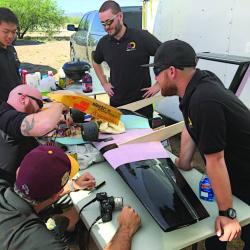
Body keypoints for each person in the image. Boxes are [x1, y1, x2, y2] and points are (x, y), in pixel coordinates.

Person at [144, 39, 250, 249]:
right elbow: (189, 126)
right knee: (215, 234)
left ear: (171, 71)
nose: (155, 78)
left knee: (239, 229)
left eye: (157, 71)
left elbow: (215, 159)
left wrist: (227, 213)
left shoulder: (204, 100)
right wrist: (183, 162)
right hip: (233, 171)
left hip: (245, 174)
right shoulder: (197, 84)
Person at [0, 145, 141, 250]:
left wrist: (73, 186)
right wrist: (126, 228)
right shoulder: (40, 242)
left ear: (19, 172)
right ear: (57, 194)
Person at [0, 84, 96, 196]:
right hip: (13, 194)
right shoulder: (6, 117)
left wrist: (56, 119)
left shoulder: (10, 117)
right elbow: (43, 124)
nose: (40, 109)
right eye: (39, 105)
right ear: (23, 99)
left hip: (22, 189)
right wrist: (59, 105)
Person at [93, 0, 161, 119]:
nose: (106, 27)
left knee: (143, 137)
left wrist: (159, 85)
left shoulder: (141, 37)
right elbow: (95, 61)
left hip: (142, 104)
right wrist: (104, 83)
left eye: (109, 22)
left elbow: (167, 55)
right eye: (103, 24)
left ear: (120, 16)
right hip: (117, 105)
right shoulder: (104, 43)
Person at [0, 7, 21, 104]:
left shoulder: (11, 50)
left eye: (14, 32)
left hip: (16, 104)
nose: (10, 36)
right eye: (6, 31)